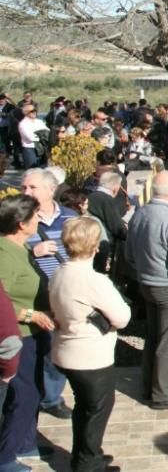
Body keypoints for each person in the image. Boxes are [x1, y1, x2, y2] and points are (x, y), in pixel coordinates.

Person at [49, 217, 131, 472]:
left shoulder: (59, 272)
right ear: (95, 247)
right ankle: (88, 464)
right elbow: (122, 317)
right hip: (90, 356)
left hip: (66, 350)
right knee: (97, 410)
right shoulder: (94, 281)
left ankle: (85, 454)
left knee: (84, 407)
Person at [125, 171, 168, 410]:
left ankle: (148, 387)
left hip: (146, 283)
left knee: (153, 337)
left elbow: (128, 254)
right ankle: (163, 394)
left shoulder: (139, 214)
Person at [0, 195, 58, 468]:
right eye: (35, 216)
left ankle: (25, 443)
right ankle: (6, 457)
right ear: (21, 223)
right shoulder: (4, 253)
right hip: (20, 336)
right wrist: (30, 314)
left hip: (34, 335)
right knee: (23, 396)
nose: (39, 220)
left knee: (33, 391)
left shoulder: (20, 247)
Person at [21, 168, 76, 419]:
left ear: (50, 190)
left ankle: (51, 397)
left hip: (64, 292)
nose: (26, 192)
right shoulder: (18, 220)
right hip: (33, 295)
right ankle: (33, 395)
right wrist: (33, 253)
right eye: (24, 188)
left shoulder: (70, 217)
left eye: (32, 187)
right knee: (34, 349)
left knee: (58, 346)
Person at [86, 171, 127, 275]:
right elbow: (117, 228)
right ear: (116, 187)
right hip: (104, 247)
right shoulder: (108, 201)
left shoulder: (89, 197)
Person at [17, 105, 47, 169]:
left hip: (41, 148)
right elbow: (31, 137)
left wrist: (40, 135)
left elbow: (47, 132)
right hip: (30, 150)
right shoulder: (23, 124)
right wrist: (42, 135)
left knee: (43, 170)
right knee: (32, 171)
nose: (34, 112)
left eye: (35, 110)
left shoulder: (39, 121)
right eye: (32, 111)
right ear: (25, 113)